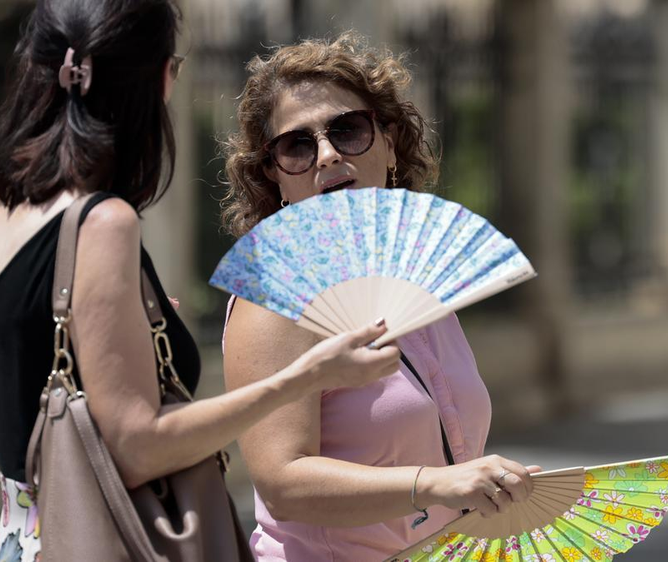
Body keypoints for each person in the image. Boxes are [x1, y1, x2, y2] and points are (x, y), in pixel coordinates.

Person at [0, 3, 400, 560]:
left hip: (24, 538)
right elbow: (139, 448)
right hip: (100, 535)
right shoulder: (102, 222)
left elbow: (32, 358)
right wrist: (302, 377)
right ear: (157, 77)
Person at [220, 31, 542, 561]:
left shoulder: (415, 280)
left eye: (348, 130)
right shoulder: (275, 292)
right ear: (274, 174)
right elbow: (283, 481)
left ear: (389, 143)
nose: (326, 154)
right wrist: (435, 483)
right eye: (297, 145)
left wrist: (489, 485)